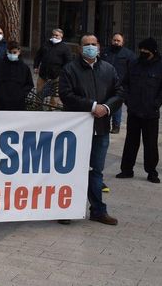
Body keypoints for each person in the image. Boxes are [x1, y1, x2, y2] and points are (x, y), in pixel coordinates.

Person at [59, 34, 123, 226]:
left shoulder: (108, 69)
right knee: (73, 170)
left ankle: (98, 211)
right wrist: (92, 106)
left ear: (99, 47)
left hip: (101, 129)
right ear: (79, 48)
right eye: (86, 45)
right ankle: (66, 209)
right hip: (77, 130)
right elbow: (66, 94)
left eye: (93, 44)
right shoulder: (70, 69)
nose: (90, 47)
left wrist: (107, 108)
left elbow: (119, 92)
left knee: (96, 171)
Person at [116, 38, 162, 183]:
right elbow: (125, 84)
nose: (142, 52)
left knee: (151, 144)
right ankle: (127, 169)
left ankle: (152, 172)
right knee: (131, 142)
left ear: (152, 51)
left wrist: (156, 104)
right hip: (134, 111)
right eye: (141, 49)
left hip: (151, 114)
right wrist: (128, 100)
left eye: (145, 50)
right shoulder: (134, 64)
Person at [101, 32, 134, 134]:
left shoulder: (128, 54)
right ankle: (104, 124)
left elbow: (132, 70)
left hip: (120, 84)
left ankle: (116, 126)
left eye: (118, 41)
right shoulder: (105, 52)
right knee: (105, 103)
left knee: (116, 105)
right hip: (105, 83)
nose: (116, 42)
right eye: (114, 40)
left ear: (122, 42)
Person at [0, 41, 34, 111]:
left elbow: (29, 84)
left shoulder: (25, 68)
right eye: (10, 52)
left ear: (19, 52)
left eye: (14, 52)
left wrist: (21, 94)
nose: (12, 54)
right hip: (1, 102)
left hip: (18, 103)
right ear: (7, 51)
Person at [34, 28, 73, 93]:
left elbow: (68, 62)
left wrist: (63, 73)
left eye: (56, 35)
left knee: (54, 95)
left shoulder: (65, 48)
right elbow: (38, 56)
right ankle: (38, 103)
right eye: (53, 35)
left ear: (61, 36)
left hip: (56, 75)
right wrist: (36, 66)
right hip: (43, 73)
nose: (54, 36)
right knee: (39, 92)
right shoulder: (46, 44)